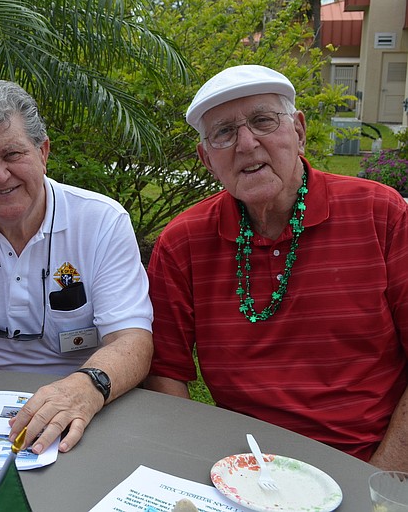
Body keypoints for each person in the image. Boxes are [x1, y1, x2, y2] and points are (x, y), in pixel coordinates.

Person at [145, 64, 408, 469]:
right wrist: (200, 467)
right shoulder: (183, 242)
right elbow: (165, 372)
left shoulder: (380, 214)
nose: (246, 144)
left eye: (263, 121)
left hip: (363, 459)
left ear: (299, 131)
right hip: (240, 466)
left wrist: (383, 480)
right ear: (206, 159)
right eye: (224, 133)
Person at [0, 80, 153, 455]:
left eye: (12, 155)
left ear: (43, 152)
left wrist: (82, 390)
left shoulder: (101, 221)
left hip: (89, 401)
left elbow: (132, 340)